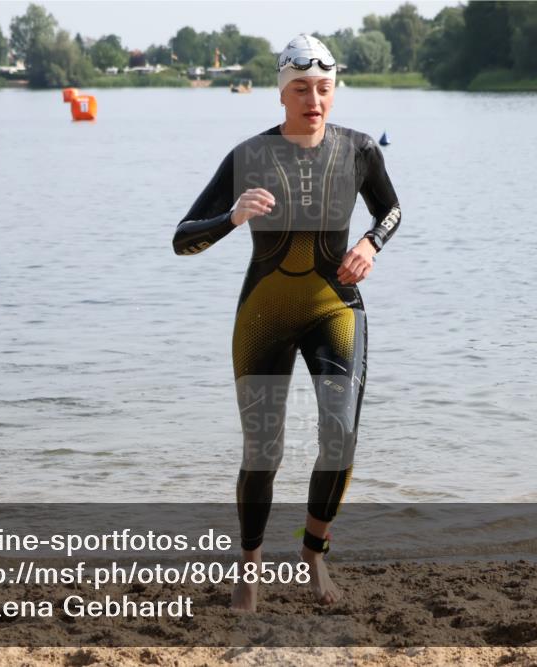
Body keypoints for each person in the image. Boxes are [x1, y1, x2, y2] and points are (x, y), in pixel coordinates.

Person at [172, 34, 401, 612]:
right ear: (282, 95)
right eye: (301, 89)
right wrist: (231, 217)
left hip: (335, 306)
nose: (314, 99)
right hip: (266, 313)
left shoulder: (360, 151)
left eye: (323, 89)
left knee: (341, 436)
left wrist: (372, 244)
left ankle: (313, 556)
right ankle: (249, 569)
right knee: (263, 450)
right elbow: (183, 241)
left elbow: (392, 209)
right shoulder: (248, 155)